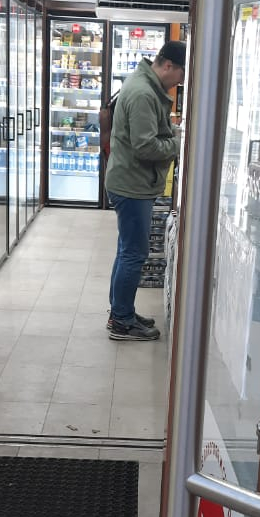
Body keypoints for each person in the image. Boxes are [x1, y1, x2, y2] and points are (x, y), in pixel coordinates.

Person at [105, 40, 186, 341]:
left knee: (126, 250)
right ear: (168, 66)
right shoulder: (143, 93)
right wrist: (178, 143)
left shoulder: (145, 85)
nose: (180, 82)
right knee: (134, 253)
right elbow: (145, 146)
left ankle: (120, 311)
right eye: (181, 75)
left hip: (131, 181)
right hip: (132, 185)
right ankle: (122, 321)